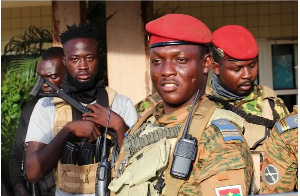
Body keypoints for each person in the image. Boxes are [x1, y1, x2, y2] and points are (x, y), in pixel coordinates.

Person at [107, 14, 253, 196]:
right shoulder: (146, 121)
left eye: (181, 60)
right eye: (157, 61)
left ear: (206, 63)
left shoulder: (217, 138)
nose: (166, 71)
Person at [24, 24, 138, 196]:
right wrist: (68, 130)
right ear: (64, 61)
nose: (83, 66)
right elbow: (33, 173)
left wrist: (119, 126)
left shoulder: (121, 104)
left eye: (90, 58)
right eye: (75, 59)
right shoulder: (48, 106)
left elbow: (138, 168)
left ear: (98, 59)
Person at [207, 25, 295, 194]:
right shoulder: (199, 105)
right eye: (237, 68)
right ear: (215, 67)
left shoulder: (272, 105)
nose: (247, 74)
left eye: (252, 65)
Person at [9, 47, 66, 196]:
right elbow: (16, 155)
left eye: (52, 77)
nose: (45, 84)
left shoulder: (84, 107)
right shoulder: (32, 109)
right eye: (41, 77)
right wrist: (20, 188)